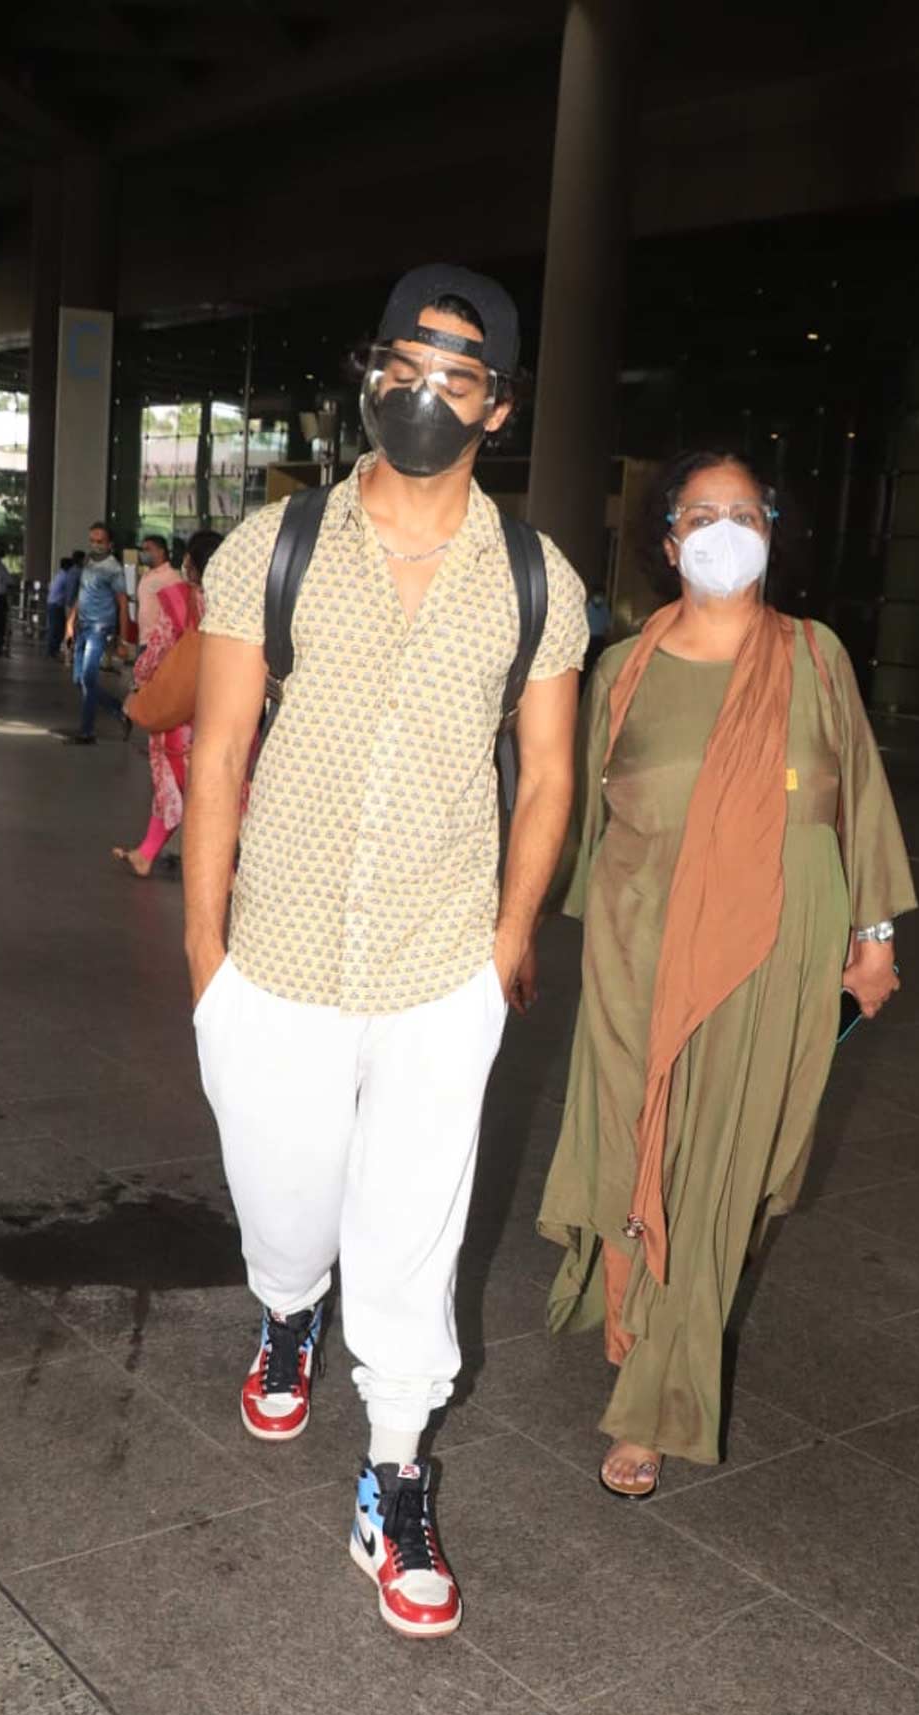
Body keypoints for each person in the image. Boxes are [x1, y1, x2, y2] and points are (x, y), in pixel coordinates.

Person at [185, 264, 587, 1638]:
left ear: (501, 403)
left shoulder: (537, 578)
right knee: (287, 1211)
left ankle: (396, 1474)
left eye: (457, 372)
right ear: (369, 372)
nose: (423, 391)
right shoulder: (274, 542)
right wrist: (205, 956)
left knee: (413, 1237)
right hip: (279, 955)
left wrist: (507, 942)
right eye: (402, 362)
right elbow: (221, 748)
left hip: (434, 964)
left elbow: (546, 778)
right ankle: (288, 1310)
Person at [537, 450, 916, 1497]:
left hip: (774, 946)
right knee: (633, 1144)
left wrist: (872, 933)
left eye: (741, 511)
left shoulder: (813, 656)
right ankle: (640, 1302)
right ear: (666, 541)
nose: (720, 526)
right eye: (699, 512)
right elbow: (572, 811)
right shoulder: (622, 667)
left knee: (718, 1173)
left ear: (768, 533)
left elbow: (858, 802)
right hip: (636, 943)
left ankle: (657, 1393)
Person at [113, 530, 222, 877]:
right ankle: (147, 853)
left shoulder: (180, 599)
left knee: (174, 783)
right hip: (221, 706)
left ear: (190, 563)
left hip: (179, 713)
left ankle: (226, 869)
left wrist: (139, 685)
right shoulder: (237, 600)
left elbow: (157, 649)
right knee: (221, 784)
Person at [65, 521, 130, 744]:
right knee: (79, 679)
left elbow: (123, 604)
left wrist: (123, 639)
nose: (95, 545)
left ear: (110, 543)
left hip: (99, 628)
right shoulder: (88, 561)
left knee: (88, 678)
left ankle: (87, 731)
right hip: (83, 626)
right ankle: (119, 710)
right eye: (92, 540)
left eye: (100, 541)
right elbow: (82, 594)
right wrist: (71, 621)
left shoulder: (114, 569)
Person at [136, 533, 181, 648]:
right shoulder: (146, 575)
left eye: (148, 549)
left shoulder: (170, 576)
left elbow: (178, 610)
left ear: (161, 552)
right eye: (143, 549)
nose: (143, 553)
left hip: (160, 642)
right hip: (144, 638)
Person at [45, 555, 77, 658]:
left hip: (52, 604)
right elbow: (69, 593)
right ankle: (52, 651)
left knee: (55, 628)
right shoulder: (66, 577)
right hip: (56, 605)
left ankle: (52, 650)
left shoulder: (59, 575)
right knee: (57, 629)